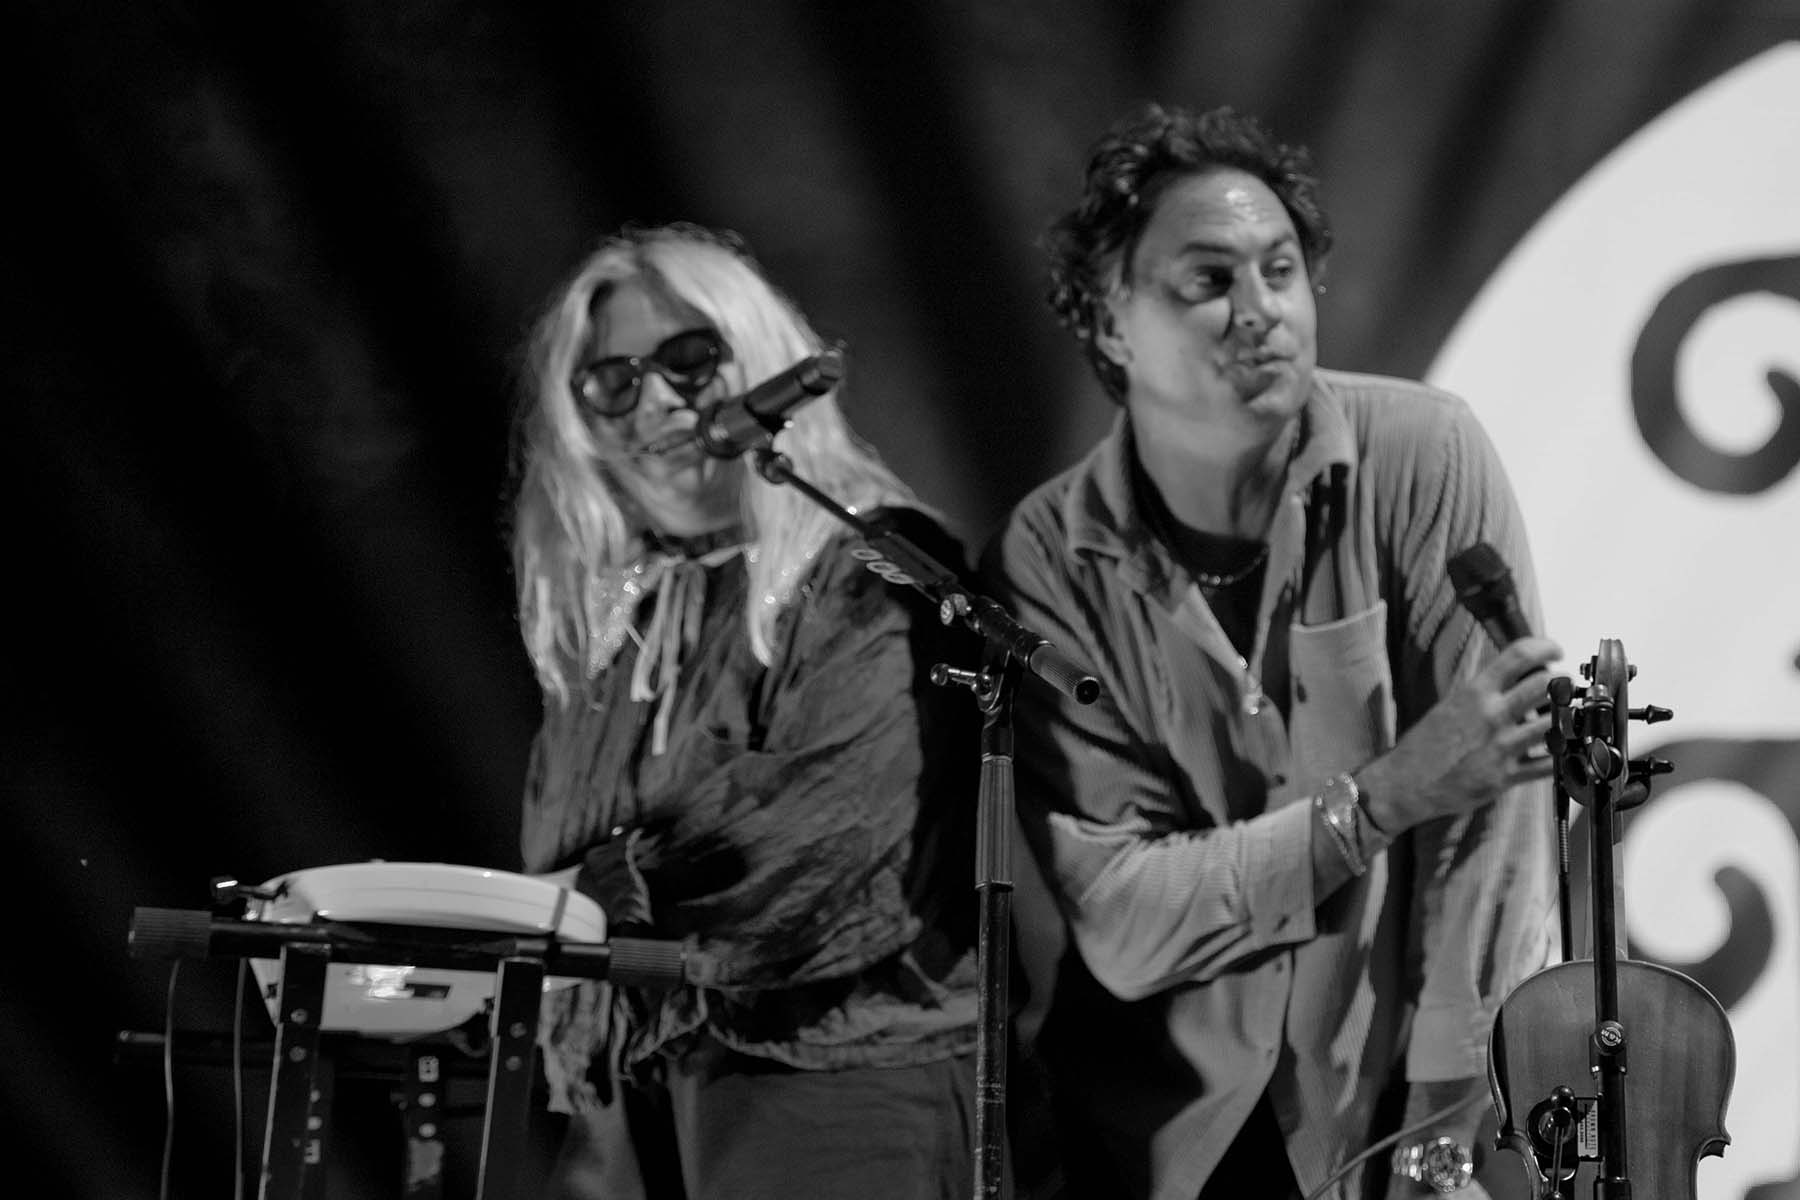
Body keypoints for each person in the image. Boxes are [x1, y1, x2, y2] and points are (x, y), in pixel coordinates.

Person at [982, 105, 1561, 1200]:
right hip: (1164, 1129)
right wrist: (1380, 798)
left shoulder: (1425, 456)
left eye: (1281, 271)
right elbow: (1126, 920)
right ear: (1110, 322)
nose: (1262, 313)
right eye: (1210, 281)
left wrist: (1444, 1125)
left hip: (1395, 1100)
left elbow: (1492, 817)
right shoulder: (1045, 558)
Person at [509, 222, 979, 1200]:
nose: (659, 401)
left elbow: (838, 841)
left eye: (690, 358)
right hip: (635, 1093)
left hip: (837, 1072)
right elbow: (557, 855)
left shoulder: (871, 568)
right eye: (613, 382)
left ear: (760, 358)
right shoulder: (617, 621)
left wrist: (591, 905)